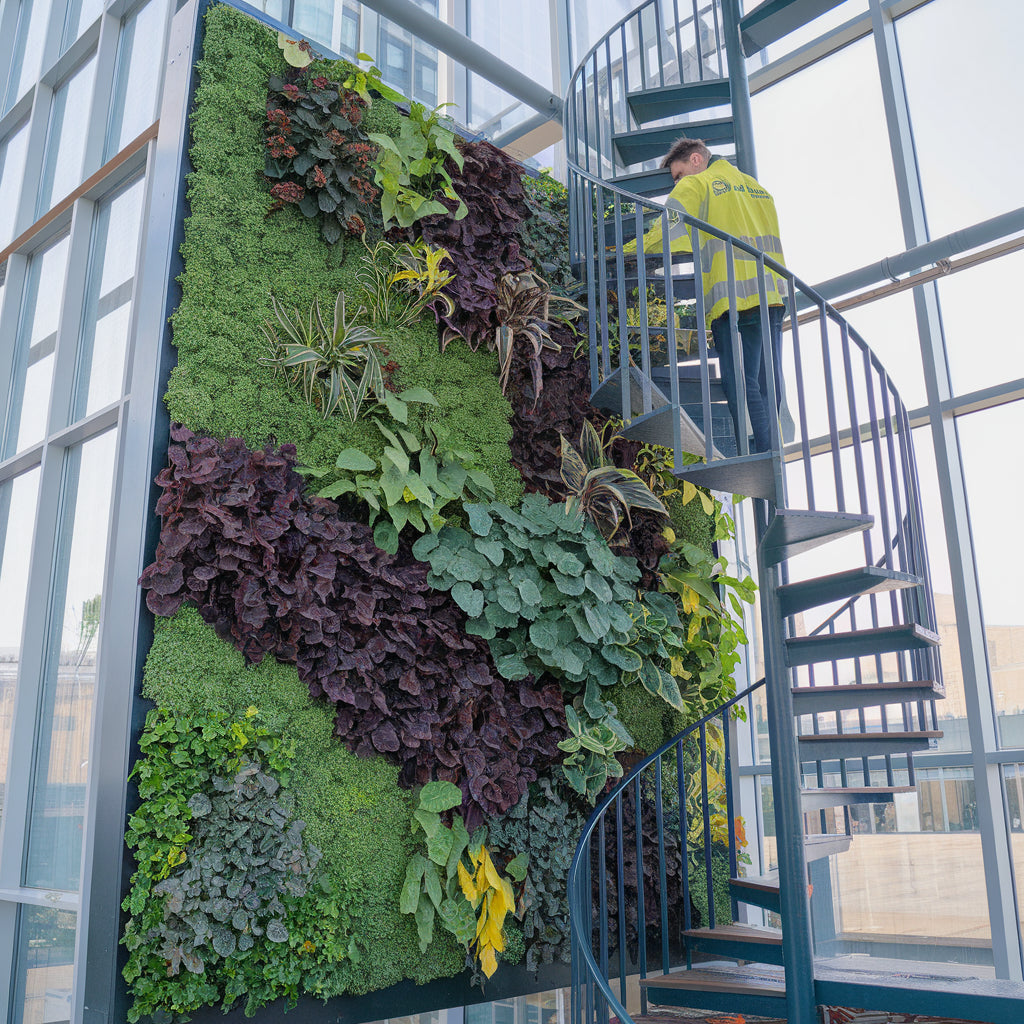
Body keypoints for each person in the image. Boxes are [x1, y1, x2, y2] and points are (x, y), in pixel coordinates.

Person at [629, 137, 788, 454]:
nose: (678, 183)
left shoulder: (697, 185)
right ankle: (773, 453)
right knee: (768, 382)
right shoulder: (757, 189)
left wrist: (628, 251)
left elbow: (667, 229)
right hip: (772, 296)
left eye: (678, 175)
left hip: (733, 299)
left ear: (696, 160)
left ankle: (760, 457)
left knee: (739, 382)